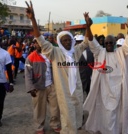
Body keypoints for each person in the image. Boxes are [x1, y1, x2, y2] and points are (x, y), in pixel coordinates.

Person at [25, 1, 88, 133]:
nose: (67, 42)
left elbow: (87, 41)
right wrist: (33, 20)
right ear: (59, 42)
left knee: (76, 113)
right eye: (64, 40)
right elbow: (39, 38)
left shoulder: (75, 51)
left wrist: (88, 26)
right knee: (66, 115)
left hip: (76, 89)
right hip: (63, 91)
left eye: (69, 39)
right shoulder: (55, 52)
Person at [83, 13, 128, 134]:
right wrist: (88, 27)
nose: (109, 45)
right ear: (104, 44)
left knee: (116, 113)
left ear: (115, 43)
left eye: (111, 43)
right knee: (104, 113)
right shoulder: (100, 52)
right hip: (103, 88)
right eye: (107, 43)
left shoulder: (120, 52)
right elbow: (91, 41)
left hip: (118, 89)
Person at [25, 38, 61, 134]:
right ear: (34, 44)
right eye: (37, 43)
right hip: (38, 87)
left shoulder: (51, 55)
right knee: (39, 109)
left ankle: (55, 124)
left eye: (41, 42)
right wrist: (31, 88)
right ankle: (39, 127)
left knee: (55, 107)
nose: (39, 44)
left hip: (52, 85)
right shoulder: (31, 57)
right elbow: (28, 74)